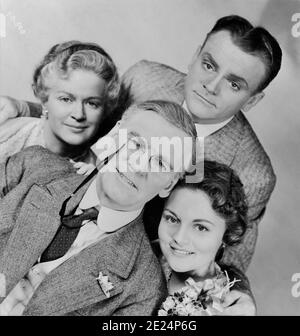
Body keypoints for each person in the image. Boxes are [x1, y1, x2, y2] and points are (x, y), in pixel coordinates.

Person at [0, 15, 282, 271]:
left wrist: (239, 292)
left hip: (130, 270)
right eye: (209, 65)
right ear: (195, 56)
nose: (212, 85)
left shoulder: (254, 173)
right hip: (69, 206)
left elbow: (229, 267)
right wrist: (25, 108)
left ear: (253, 100)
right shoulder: (145, 78)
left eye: (234, 84)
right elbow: (87, 116)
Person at [0, 100, 197, 315]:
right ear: (113, 136)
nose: (139, 166)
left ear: (168, 184)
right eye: (135, 144)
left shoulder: (144, 289)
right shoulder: (32, 165)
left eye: (160, 163)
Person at [0, 40, 120, 174]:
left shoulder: (100, 170)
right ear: (44, 98)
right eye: (66, 99)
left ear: (105, 108)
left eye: (92, 103)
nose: (79, 114)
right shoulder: (8, 137)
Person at [153, 160, 254, 315]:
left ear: (227, 236)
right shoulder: (142, 251)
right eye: (172, 219)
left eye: (201, 227)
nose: (179, 238)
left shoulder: (225, 308)